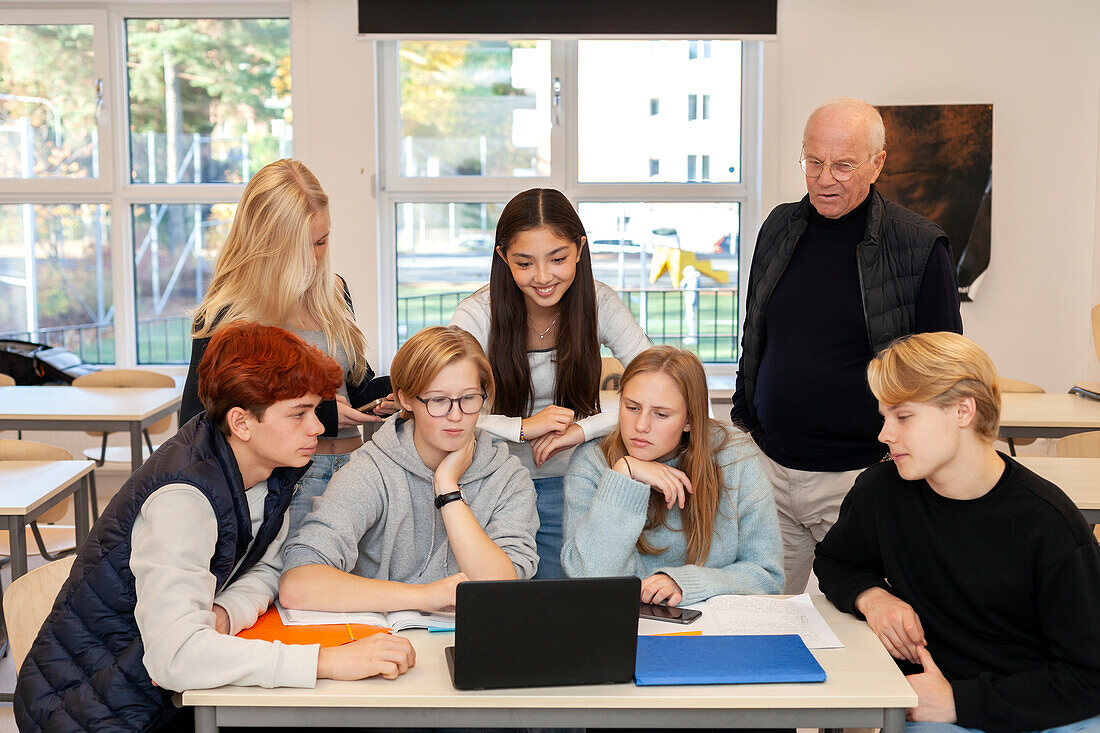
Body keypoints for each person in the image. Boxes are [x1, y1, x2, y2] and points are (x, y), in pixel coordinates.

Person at [14, 323, 416, 733]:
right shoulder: (182, 501)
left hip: (160, 694)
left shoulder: (264, 468)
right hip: (93, 712)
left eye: (314, 411)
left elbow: (271, 566)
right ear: (241, 422)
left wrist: (224, 613)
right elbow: (176, 658)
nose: (317, 427)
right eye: (299, 413)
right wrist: (325, 662)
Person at [731, 97, 963, 593]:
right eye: (813, 162)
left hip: (860, 478)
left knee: (849, 633)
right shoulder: (778, 227)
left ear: (878, 164)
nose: (824, 178)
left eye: (842, 165)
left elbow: (943, 373)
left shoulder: (920, 245)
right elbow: (755, 332)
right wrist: (746, 416)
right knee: (767, 618)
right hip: (770, 469)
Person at [814, 332, 1100, 732]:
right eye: (884, 417)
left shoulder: (1050, 524)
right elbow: (835, 561)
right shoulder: (882, 492)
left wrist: (958, 703)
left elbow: (1089, 678)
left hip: (1037, 712)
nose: (884, 434)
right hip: (932, 709)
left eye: (903, 416)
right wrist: (873, 597)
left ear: (964, 411)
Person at [178, 158, 394, 534]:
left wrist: (400, 389)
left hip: (355, 475)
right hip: (284, 489)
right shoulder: (226, 316)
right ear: (267, 244)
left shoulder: (335, 292)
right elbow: (202, 427)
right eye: (301, 247)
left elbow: (354, 387)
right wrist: (324, 414)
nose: (315, 258)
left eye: (323, 241)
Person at [449, 187, 650, 579]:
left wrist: (582, 429)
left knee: (567, 606)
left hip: (574, 483)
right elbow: (446, 412)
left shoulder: (600, 303)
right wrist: (522, 428)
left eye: (557, 259)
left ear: (580, 249)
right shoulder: (476, 313)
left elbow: (658, 391)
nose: (543, 278)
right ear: (503, 257)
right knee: (498, 606)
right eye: (524, 263)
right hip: (490, 483)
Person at [278, 325, 539, 615]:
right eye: (438, 400)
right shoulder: (371, 469)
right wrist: (426, 597)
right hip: (383, 644)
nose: (456, 416)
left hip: (476, 643)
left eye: (469, 399)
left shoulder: (508, 477)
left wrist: (448, 489)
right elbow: (298, 583)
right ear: (406, 399)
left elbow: (501, 589)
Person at [562, 345, 783, 605]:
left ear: (689, 420)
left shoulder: (734, 456)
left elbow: (768, 577)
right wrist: (623, 475)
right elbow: (589, 581)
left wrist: (683, 582)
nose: (641, 426)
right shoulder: (592, 462)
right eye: (632, 408)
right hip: (623, 629)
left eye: (661, 414)